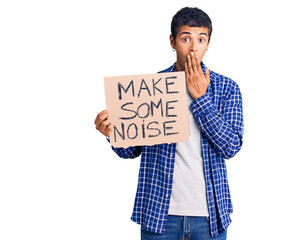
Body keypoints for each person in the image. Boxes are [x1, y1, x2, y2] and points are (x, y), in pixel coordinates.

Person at [94, 7, 244, 240]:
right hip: (159, 214)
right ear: (173, 41)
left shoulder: (227, 88)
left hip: (209, 216)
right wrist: (112, 132)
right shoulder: (152, 89)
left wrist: (201, 99)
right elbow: (130, 151)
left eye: (201, 39)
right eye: (186, 38)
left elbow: (231, 147)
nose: (194, 47)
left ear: (208, 43)